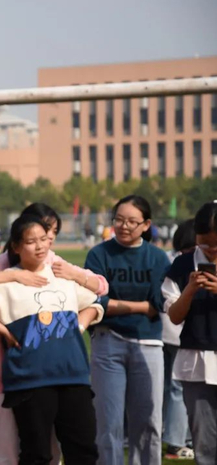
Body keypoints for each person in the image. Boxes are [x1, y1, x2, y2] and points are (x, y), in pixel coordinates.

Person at [0, 203, 108, 465]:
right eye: (31, 241)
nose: (40, 246)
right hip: (29, 381)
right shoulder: (5, 279)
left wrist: (79, 326)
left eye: (45, 238)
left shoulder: (61, 273)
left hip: (73, 377)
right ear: (16, 246)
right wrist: (5, 330)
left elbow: (97, 300)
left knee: (84, 451)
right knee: (36, 454)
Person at [84, 195, 171, 465]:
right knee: (108, 423)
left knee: (148, 422)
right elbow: (95, 302)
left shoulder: (157, 258)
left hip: (148, 344)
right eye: (119, 220)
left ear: (146, 225)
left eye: (132, 221)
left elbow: (158, 305)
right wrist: (140, 306)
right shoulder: (99, 255)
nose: (124, 226)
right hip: (107, 342)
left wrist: (115, 305)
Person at [164, 202, 217, 465]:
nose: (210, 250)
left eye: (216, 245)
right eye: (204, 244)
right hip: (196, 362)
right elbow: (174, 316)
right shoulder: (182, 264)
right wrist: (189, 291)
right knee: (204, 443)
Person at [160, 219, 196, 460]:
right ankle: (176, 441)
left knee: (170, 387)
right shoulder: (186, 265)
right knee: (178, 388)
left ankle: (175, 435)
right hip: (180, 334)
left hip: (166, 333)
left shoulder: (170, 259)